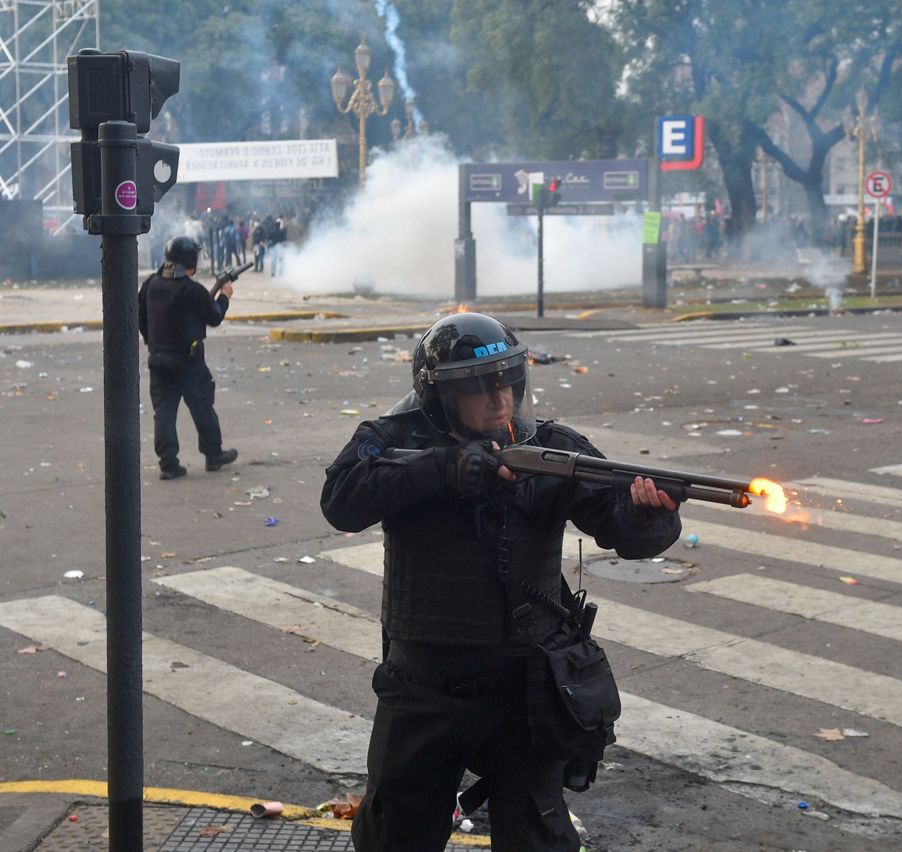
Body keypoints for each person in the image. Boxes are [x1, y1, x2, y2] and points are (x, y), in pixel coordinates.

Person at [321, 313, 681, 852]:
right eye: (478, 388)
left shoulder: (551, 448)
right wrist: (440, 471)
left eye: (507, 383)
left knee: (537, 835)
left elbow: (618, 522)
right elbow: (341, 501)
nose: (500, 400)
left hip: (522, 691)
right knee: (394, 833)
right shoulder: (391, 439)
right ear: (439, 395)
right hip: (421, 689)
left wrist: (649, 514)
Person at [138, 236, 238, 480]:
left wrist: (155, 344)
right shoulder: (191, 289)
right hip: (188, 361)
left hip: (158, 358)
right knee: (203, 408)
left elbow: (141, 319)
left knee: (164, 412)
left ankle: (168, 464)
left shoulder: (151, 283)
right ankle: (213, 455)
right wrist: (224, 296)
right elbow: (214, 317)